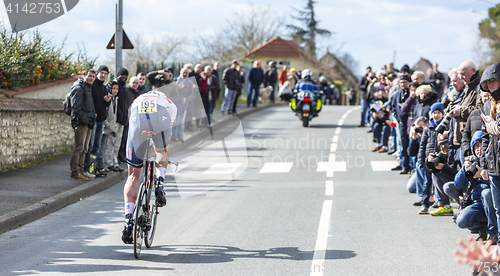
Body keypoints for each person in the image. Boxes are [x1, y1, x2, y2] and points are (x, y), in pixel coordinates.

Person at [121, 90, 177, 244]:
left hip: (138, 124)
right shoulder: (168, 102)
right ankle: (159, 182)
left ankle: (128, 222)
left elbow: (132, 124)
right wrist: (158, 147)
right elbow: (167, 130)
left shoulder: (137, 100)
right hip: (160, 121)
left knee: (132, 176)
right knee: (162, 151)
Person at [453, 130, 498, 243]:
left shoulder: (494, 160)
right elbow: (457, 184)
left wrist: (482, 176)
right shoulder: (471, 160)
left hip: (494, 203)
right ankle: (483, 228)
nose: (479, 148)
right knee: (461, 221)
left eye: (481, 145)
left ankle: (494, 234)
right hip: (478, 204)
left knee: (486, 193)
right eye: (476, 145)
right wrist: (464, 169)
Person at [480, 63, 500, 246]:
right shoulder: (487, 105)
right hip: (493, 165)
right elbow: (484, 137)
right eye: (488, 82)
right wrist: (484, 165)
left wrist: (492, 125)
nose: (491, 84)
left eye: (494, 80)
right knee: (498, 208)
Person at [417, 102, 446, 214]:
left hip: (439, 159)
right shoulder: (428, 129)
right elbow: (422, 146)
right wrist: (421, 160)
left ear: (442, 114)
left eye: (438, 113)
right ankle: (424, 203)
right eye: (434, 113)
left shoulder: (445, 127)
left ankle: (441, 202)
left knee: (439, 181)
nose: (436, 115)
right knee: (427, 182)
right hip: (428, 159)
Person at [83, 65, 111, 178]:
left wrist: (107, 101)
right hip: (93, 119)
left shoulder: (104, 87)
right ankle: (86, 169)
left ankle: (93, 169)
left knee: (96, 147)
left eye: (106, 73)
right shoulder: (92, 86)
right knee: (90, 146)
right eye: (102, 73)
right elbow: (89, 101)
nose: (103, 75)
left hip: (101, 120)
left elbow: (104, 104)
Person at [69, 69, 96, 180]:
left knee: (84, 149)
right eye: (89, 76)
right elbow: (76, 107)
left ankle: (81, 171)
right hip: (81, 122)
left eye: (93, 77)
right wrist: (84, 120)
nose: (91, 78)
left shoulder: (88, 88)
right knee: (79, 148)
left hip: (88, 122)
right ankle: (75, 172)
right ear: (84, 76)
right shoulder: (79, 88)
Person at [101, 81, 123, 172]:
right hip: (107, 128)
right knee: (105, 147)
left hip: (113, 126)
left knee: (113, 145)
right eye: (113, 88)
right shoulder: (108, 99)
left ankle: (113, 163)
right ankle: (106, 164)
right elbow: (105, 113)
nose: (115, 91)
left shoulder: (115, 99)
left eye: (117, 89)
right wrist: (108, 125)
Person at [112, 67, 129, 164]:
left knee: (119, 141)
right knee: (112, 142)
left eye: (125, 76)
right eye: (122, 75)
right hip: (116, 118)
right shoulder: (116, 85)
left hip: (123, 118)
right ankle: (112, 160)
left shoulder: (123, 87)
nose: (124, 77)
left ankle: (116, 159)